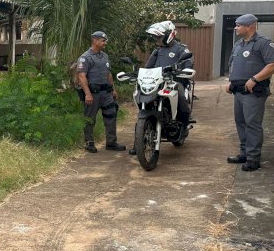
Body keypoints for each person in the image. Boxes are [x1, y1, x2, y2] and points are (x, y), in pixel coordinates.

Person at [128, 21, 194, 155]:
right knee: (143, 105)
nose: (156, 39)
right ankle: (138, 142)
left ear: (169, 35)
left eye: (158, 37)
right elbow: (148, 67)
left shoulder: (181, 49)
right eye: (156, 37)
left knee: (181, 96)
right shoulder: (157, 51)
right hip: (158, 82)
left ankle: (184, 124)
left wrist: (182, 71)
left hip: (175, 82)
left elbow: (188, 65)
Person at [225, 14, 274, 171]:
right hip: (238, 91)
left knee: (252, 125)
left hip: (254, 93)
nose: (235, 28)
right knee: (241, 122)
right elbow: (233, 65)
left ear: (249, 26)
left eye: (238, 25)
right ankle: (244, 153)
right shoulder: (238, 45)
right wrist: (230, 81)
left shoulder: (263, 43)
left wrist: (255, 79)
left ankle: (253, 159)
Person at [76, 31, 125, 153]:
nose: (105, 43)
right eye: (103, 41)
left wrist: (113, 89)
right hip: (93, 94)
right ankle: (89, 143)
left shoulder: (105, 56)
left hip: (106, 93)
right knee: (90, 119)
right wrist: (87, 93)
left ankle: (111, 142)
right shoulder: (85, 57)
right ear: (95, 41)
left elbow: (108, 74)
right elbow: (81, 76)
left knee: (111, 115)